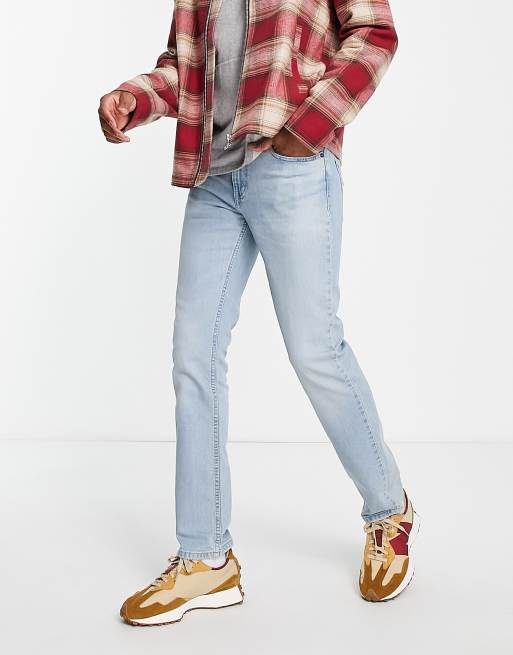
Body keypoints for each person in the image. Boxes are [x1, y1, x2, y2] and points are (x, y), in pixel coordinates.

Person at [99, 0, 420, 626]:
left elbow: (375, 34)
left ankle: (389, 511)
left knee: (314, 348)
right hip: (214, 179)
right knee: (194, 357)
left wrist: (306, 129)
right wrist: (134, 99)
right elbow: (186, 68)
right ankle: (206, 558)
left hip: (293, 169)